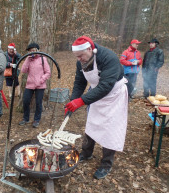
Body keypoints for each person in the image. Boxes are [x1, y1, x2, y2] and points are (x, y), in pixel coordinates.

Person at [65, 36, 128, 179]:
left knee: (111, 130)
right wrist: (73, 101)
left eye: (81, 56)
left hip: (113, 96)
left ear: (89, 49)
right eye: (77, 56)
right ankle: (86, 153)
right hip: (96, 95)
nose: (79, 59)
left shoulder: (108, 58)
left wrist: (82, 101)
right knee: (91, 124)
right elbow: (79, 83)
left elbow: (106, 86)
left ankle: (106, 164)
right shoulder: (81, 62)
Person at [19, 43, 51, 128]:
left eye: (34, 50)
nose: (32, 52)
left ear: (37, 50)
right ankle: (25, 118)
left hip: (40, 85)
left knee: (38, 103)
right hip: (29, 84)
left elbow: (48, 72)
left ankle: (36, 120)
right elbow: (23, 70)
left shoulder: (43, 59)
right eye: (30, 51)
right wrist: (27, 60)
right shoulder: (28, 60)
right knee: (25, 101)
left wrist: (41, 80)